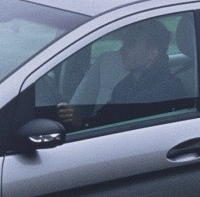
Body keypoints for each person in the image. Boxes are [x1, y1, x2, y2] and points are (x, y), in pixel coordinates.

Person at [56, 18, 188, 130]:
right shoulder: (126, 85)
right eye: (123, 45)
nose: (121, 51)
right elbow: (102, 121)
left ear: (151, 54)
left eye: (130, 45)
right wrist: (80, 122)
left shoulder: (166, 91)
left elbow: (116, 130)